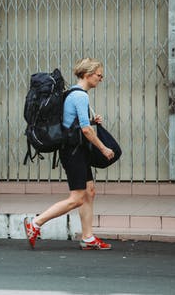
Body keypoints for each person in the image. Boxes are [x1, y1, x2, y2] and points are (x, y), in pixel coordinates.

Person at [24, 58, 115, 250]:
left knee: (89, 192)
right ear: (88, 75)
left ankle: (88, 237)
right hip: (73, 152)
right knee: (77, 198)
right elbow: (85, 131)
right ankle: (35, 223)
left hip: (76, 150)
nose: (101, 78)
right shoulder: (80, 96)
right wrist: (103, 148)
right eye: (99, 75)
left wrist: (91, 121)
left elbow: (72, 124)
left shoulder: (71, 93)